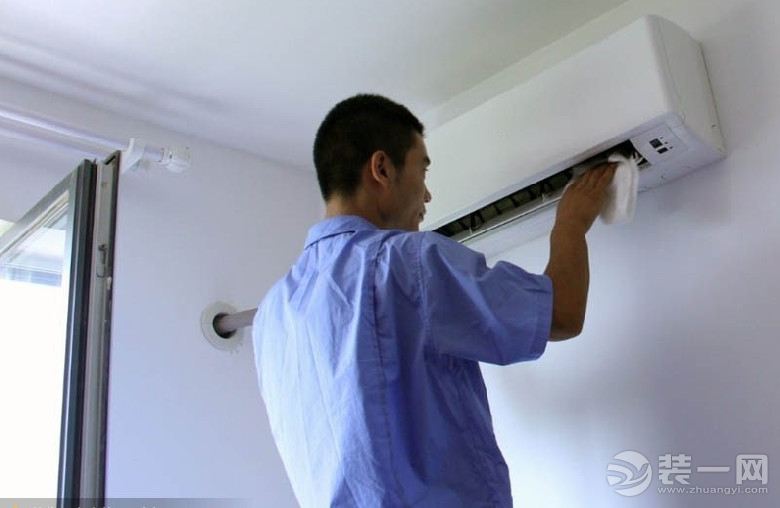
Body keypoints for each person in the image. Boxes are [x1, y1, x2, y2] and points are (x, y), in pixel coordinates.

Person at [252, 94, 616, 507]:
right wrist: (571, 222)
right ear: (382, 169)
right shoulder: (405, 262)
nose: (427, 196)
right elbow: (563, 313)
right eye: (422, 171)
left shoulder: (272, 314)